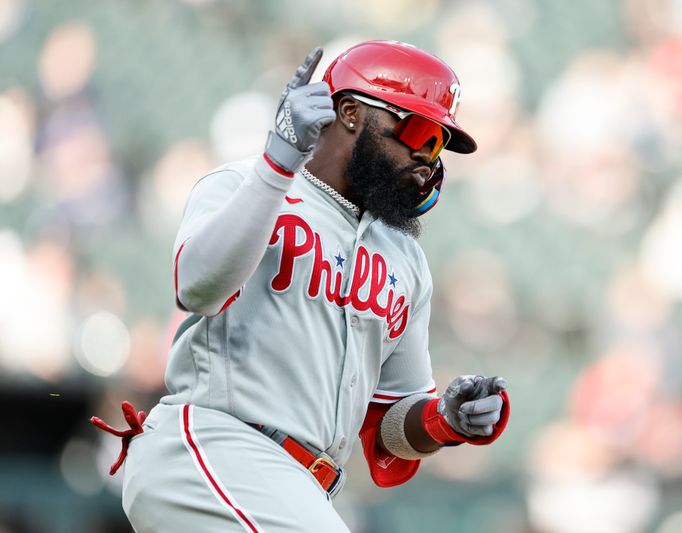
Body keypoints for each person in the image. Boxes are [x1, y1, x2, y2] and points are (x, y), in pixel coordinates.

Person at [92, 40, 510, 533]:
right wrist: (277, 161)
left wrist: (445, 420)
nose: (427, 154)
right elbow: (196, 288)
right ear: (351, 113)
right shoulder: (245, 183)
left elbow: (386, 428)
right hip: (215, 447)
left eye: (440, 142)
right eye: (418, 130)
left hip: (300, 484)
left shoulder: (406, 259)